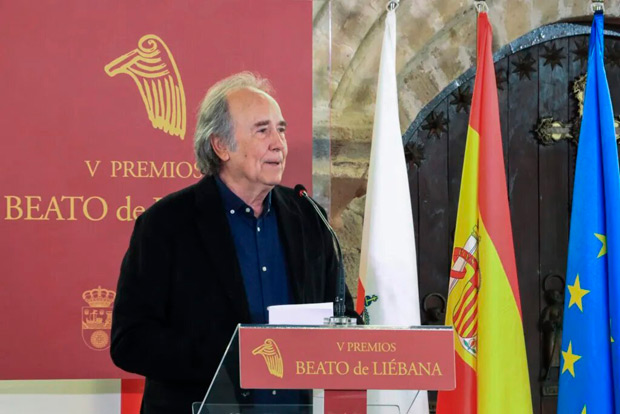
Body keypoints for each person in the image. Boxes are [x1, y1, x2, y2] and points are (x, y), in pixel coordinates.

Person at [110, 72, 359, 414]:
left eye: (281, 129)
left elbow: (341, 313)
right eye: (263, 130)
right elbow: (130, 341)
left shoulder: (308, 217)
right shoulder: (166, 224)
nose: (279, 143)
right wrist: (234, 357)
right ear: (221, 146)